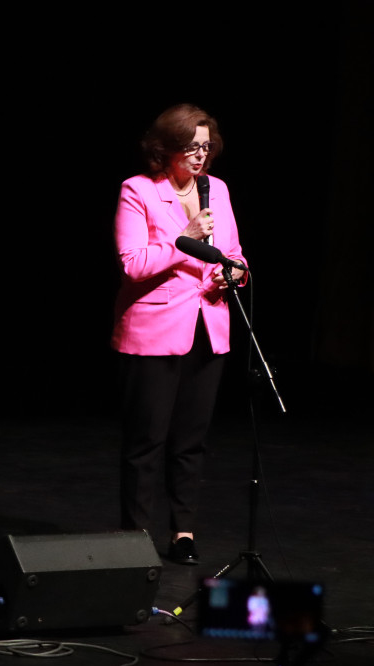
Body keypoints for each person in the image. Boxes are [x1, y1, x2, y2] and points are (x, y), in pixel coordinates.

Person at [111, 103, 247, 565]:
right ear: (165, 148)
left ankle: (182, 533)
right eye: (191, 147)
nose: (199, 156)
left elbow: (234, 253)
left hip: (209, 327)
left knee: (191, 440)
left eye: (206, 148)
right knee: (146, 440)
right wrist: (182, 237)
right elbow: (133, 264)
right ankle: (134, 533)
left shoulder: (218, 190)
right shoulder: (139, 190)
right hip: (154, 330)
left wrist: (235, 274)